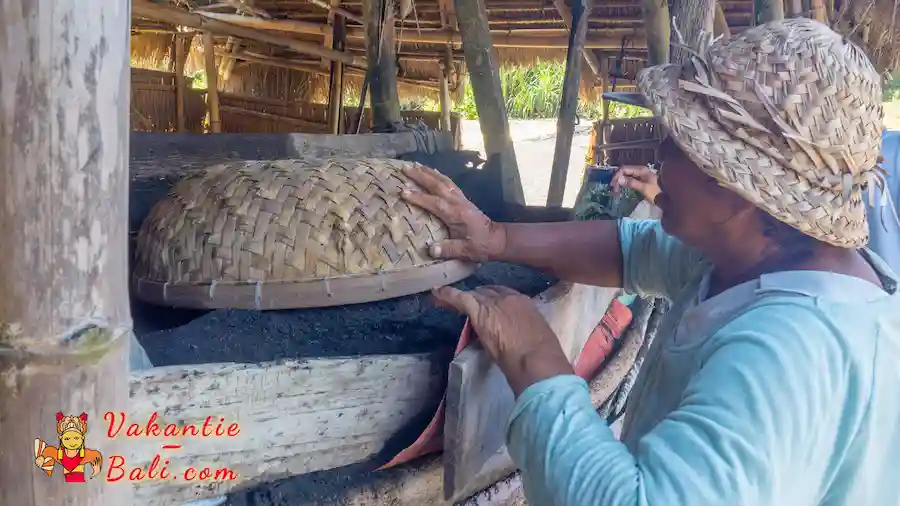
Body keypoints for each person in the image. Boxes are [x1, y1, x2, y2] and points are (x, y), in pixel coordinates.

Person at [400, 18, 900, 506]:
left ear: (738, 190)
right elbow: (633, 249)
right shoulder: (759, 261)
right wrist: (496, 237)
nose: (661, 152)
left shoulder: (787, 352)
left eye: (683, 144)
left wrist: (533, 353)